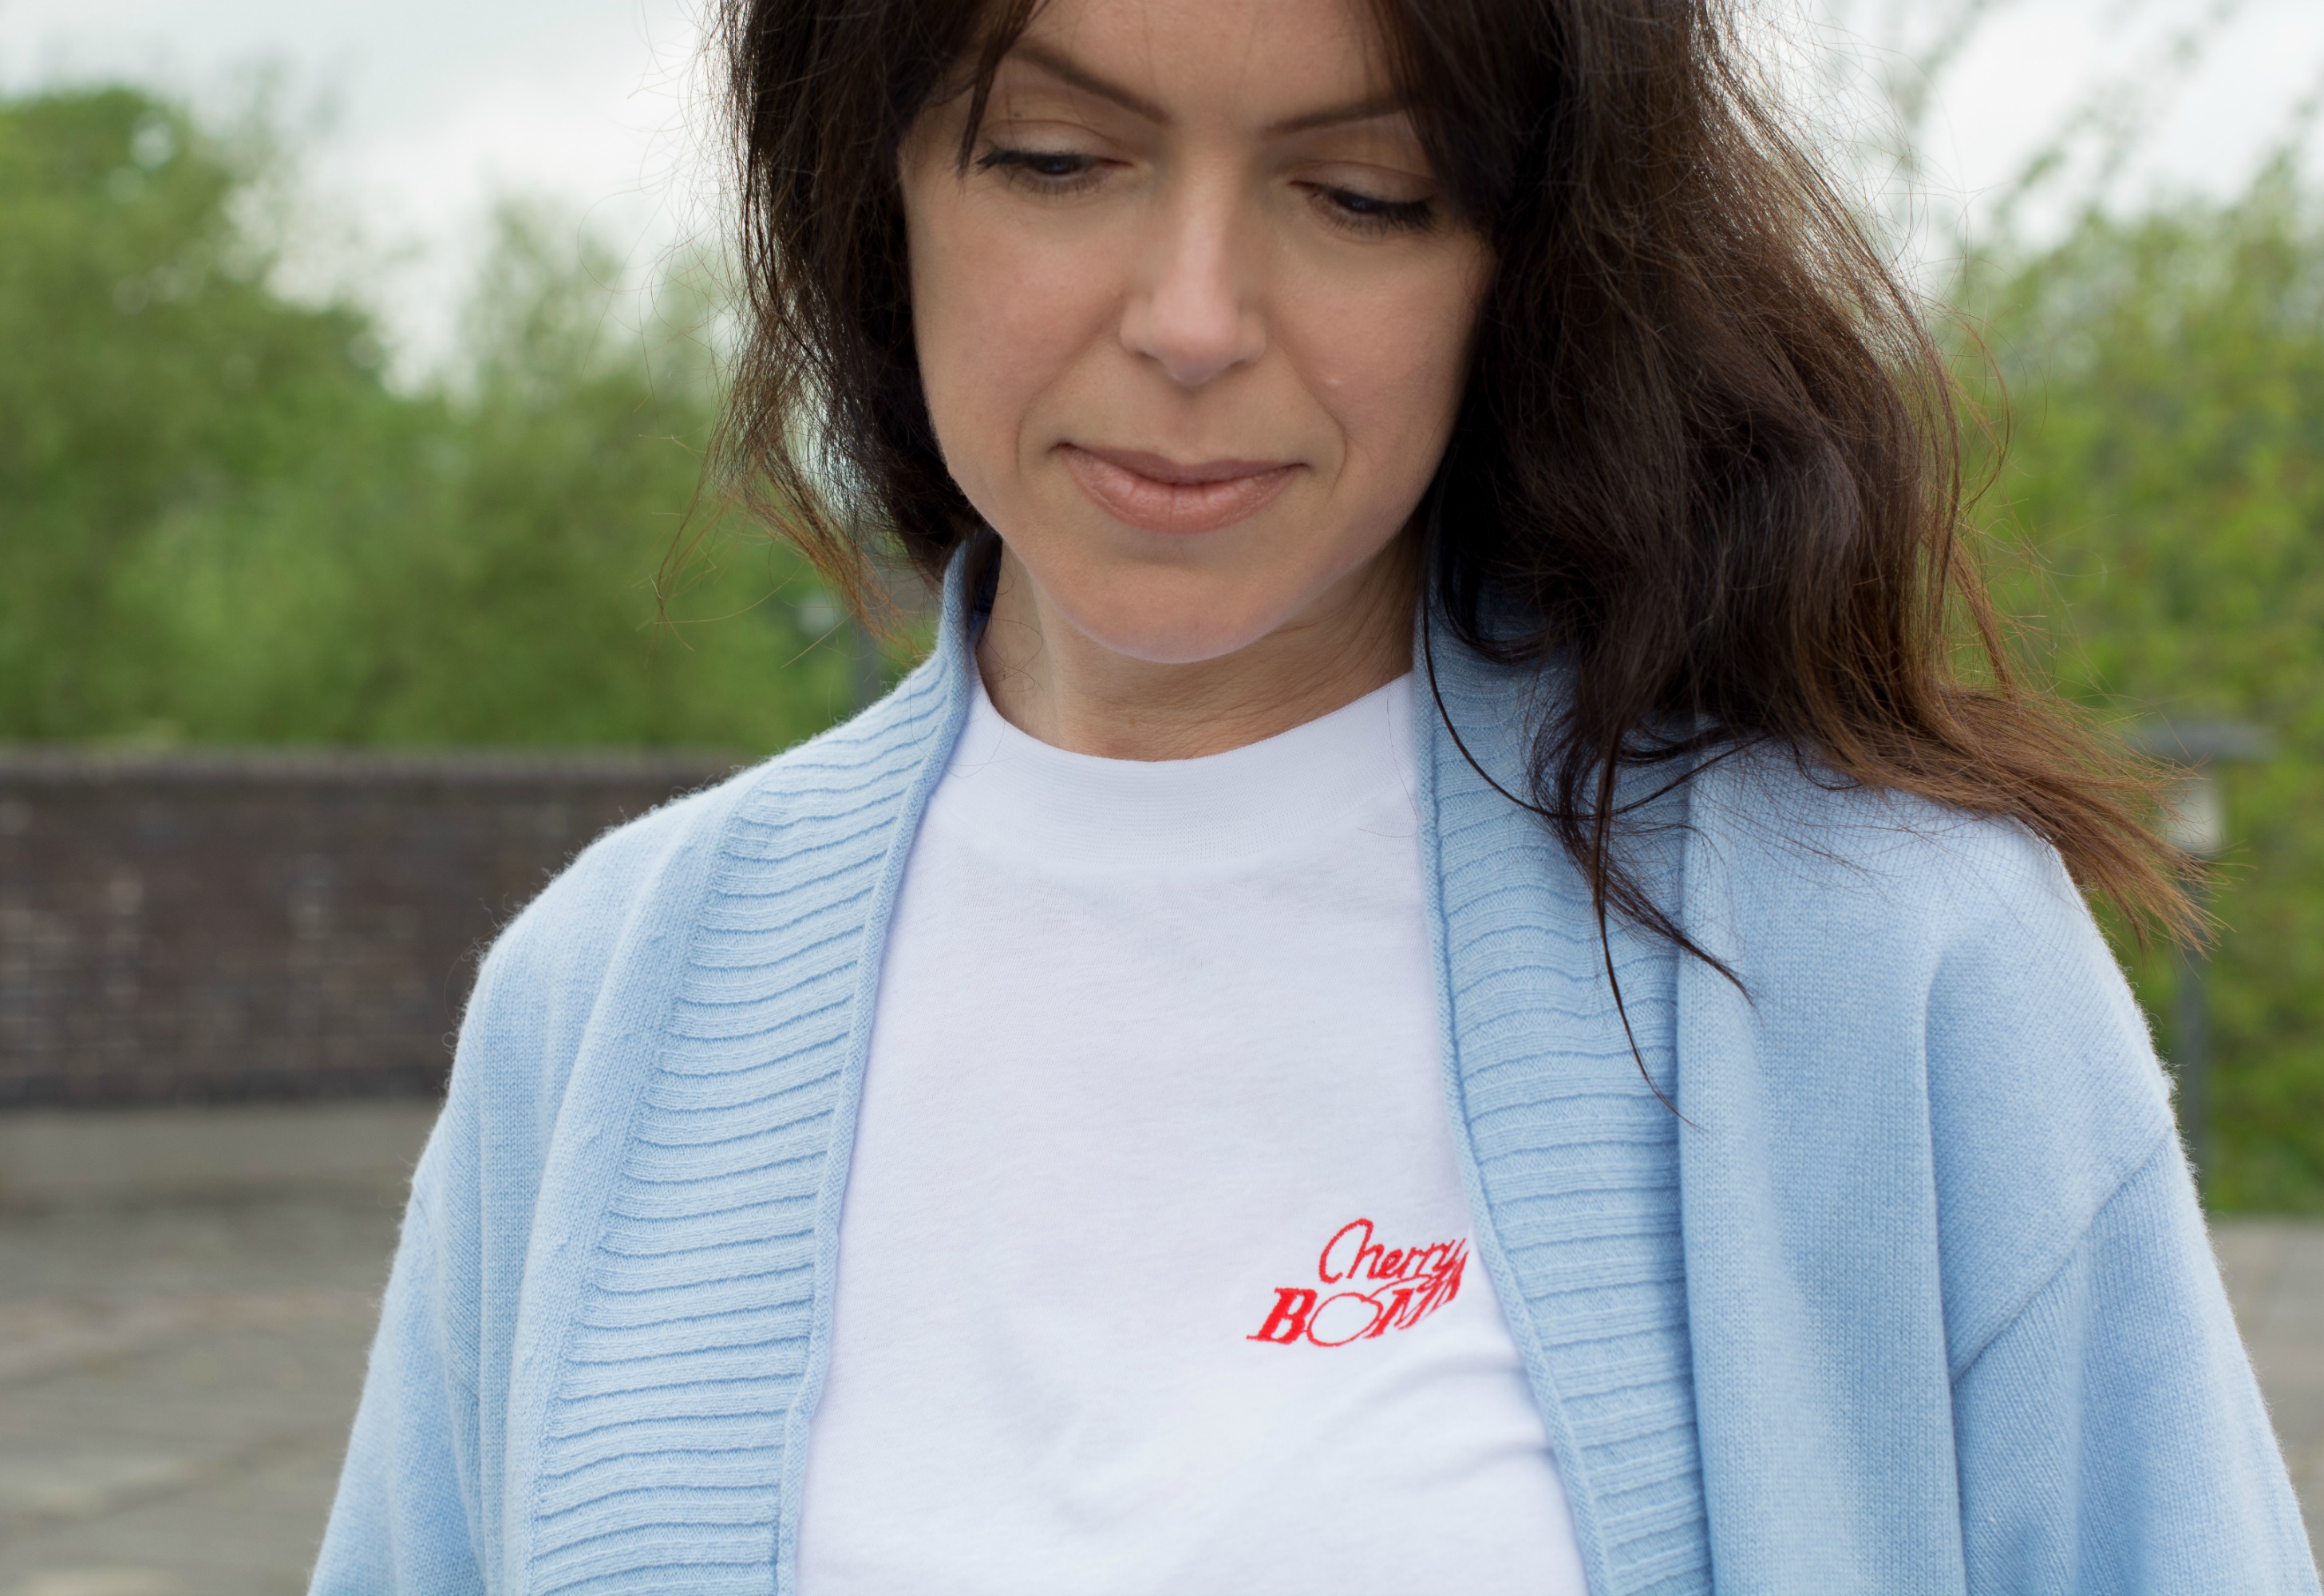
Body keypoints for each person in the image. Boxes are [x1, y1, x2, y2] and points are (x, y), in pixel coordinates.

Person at [310, 0, 2318, 1589]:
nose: (1193, 317)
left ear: (1525, 258)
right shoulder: (607, 996)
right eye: (1058, 157)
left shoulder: (1888, 959)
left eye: (1364, 192)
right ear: (878, 180)